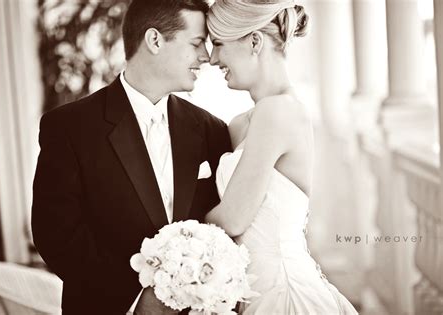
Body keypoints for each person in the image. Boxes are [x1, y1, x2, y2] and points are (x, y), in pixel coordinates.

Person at [31, 0, 231, 314]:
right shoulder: (69, 128)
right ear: (154, 40)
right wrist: (138, 298)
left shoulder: (212, 129)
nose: (205, 57)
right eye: (196, 44)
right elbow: (56, 236)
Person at [205, 0, 359, 314]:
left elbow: (234, 218)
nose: (211, 58)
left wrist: (179, 236)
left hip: (283, 293)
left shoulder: (279, 111)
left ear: (255, 41)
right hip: (246, 292)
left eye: (218, 44)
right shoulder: (241, 124)